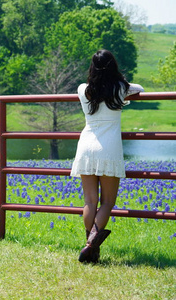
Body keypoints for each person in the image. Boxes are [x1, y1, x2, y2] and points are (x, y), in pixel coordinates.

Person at [70, 49, 144, 263]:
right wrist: (120, 80)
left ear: (92, 68)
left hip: (86, 145)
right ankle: (90, 245)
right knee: (108, 202)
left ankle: (90, 249)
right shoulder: (120, 88)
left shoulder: (83, 89)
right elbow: (139, 88)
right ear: (113, 66)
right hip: (109, 147)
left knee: (90, 201)